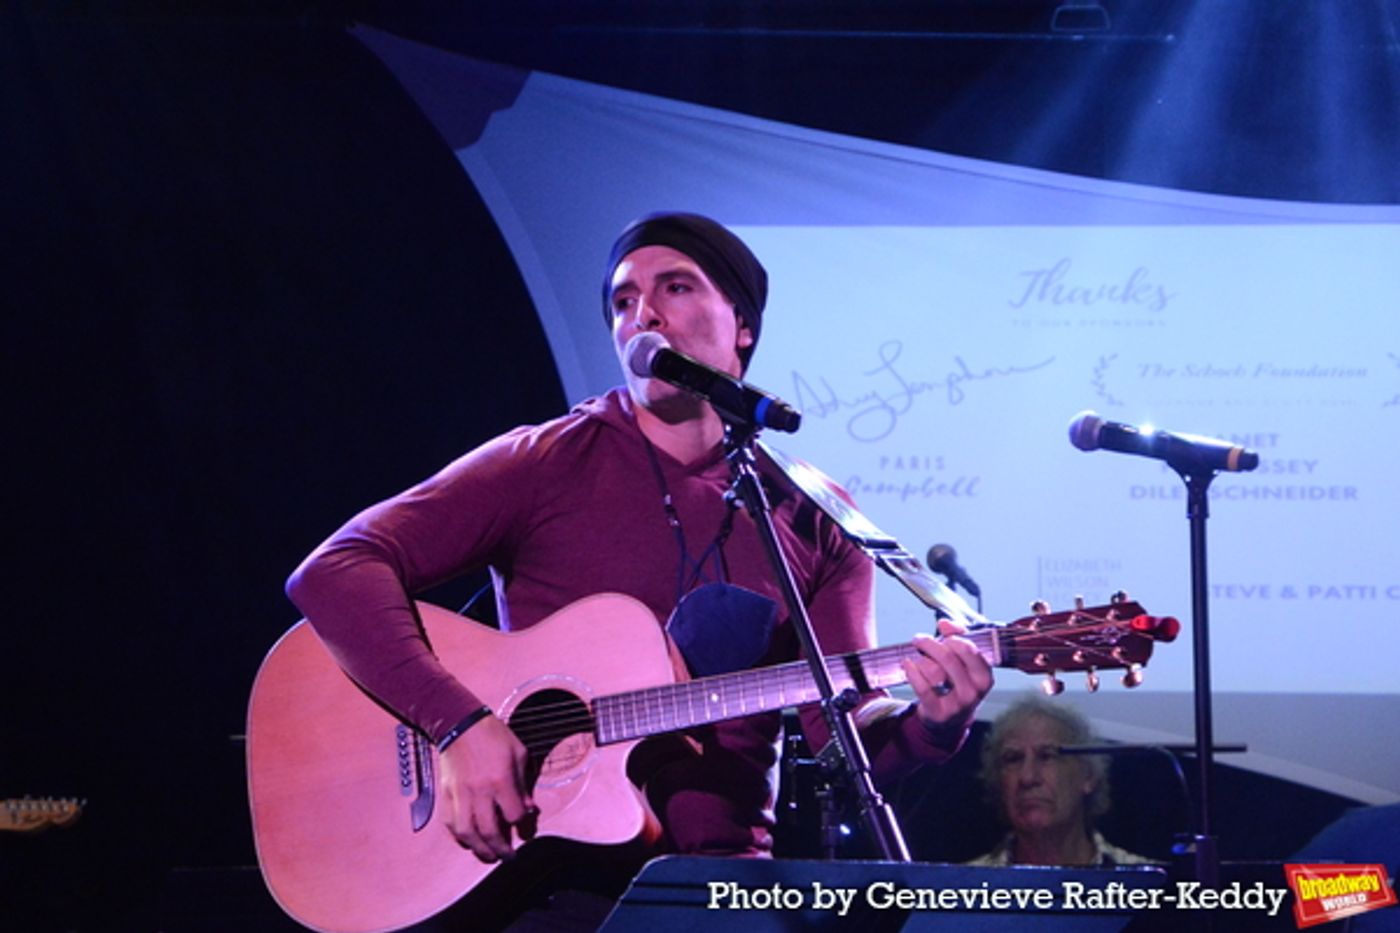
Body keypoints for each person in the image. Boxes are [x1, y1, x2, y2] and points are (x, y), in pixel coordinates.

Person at [286, 212, 994, 926]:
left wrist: (935, 724)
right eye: (623, 302)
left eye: (675, 287)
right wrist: (458, 725)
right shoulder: (547, 462)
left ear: (743, 327)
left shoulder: (816, 516)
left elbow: (842, 736)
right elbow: (335, 570)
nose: (643, 315)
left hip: (724, 892)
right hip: (552, 886)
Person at [967, 694, 1154, 867]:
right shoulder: (962, 886)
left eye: (1047, 756)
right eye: (1013, 759)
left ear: (1088, 775)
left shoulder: (1148, 881)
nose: (1027, 777)